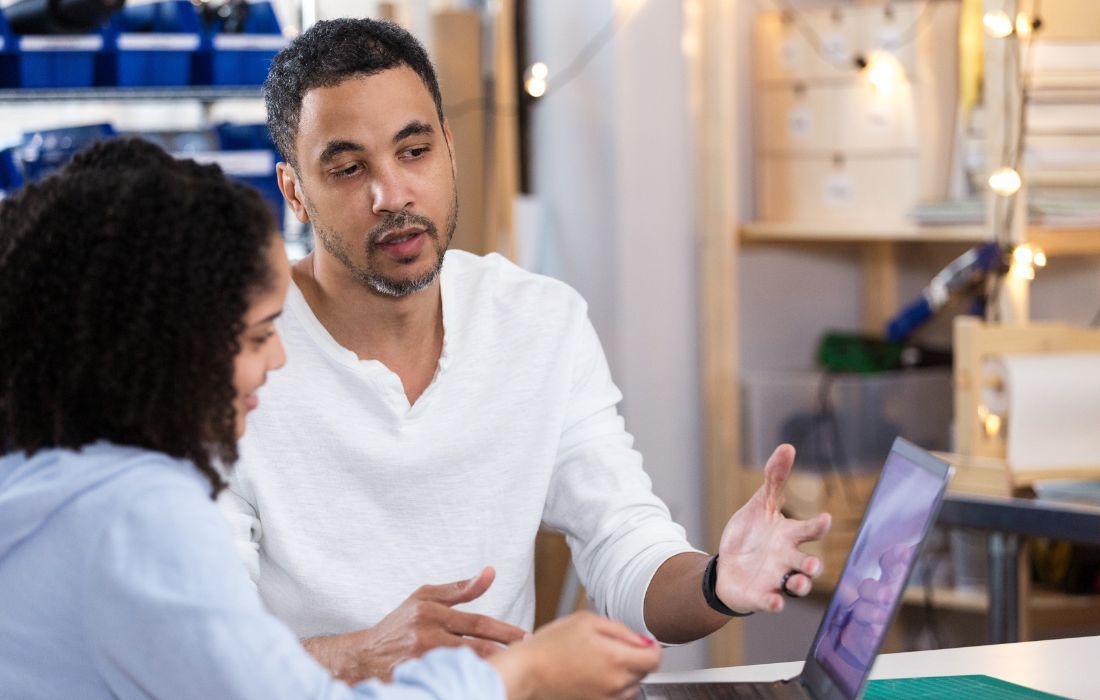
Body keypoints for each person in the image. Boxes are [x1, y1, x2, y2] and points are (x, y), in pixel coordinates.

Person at [220, 17, 833, 682]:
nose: (392, 194)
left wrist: (719, 581)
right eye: (347, 168)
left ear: (450, 149)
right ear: (294, 193)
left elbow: (623, 542)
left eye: (415, 151)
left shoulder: (539, 322)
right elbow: (202, 659)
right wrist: (364, 653)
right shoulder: (234, 356)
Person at [0, 137, 661, 699]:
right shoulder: (137, 516)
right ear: (165, 346)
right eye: (260, 336)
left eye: (415, 151)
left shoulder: (55, 484)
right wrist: (527, 672)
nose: (279, 358)